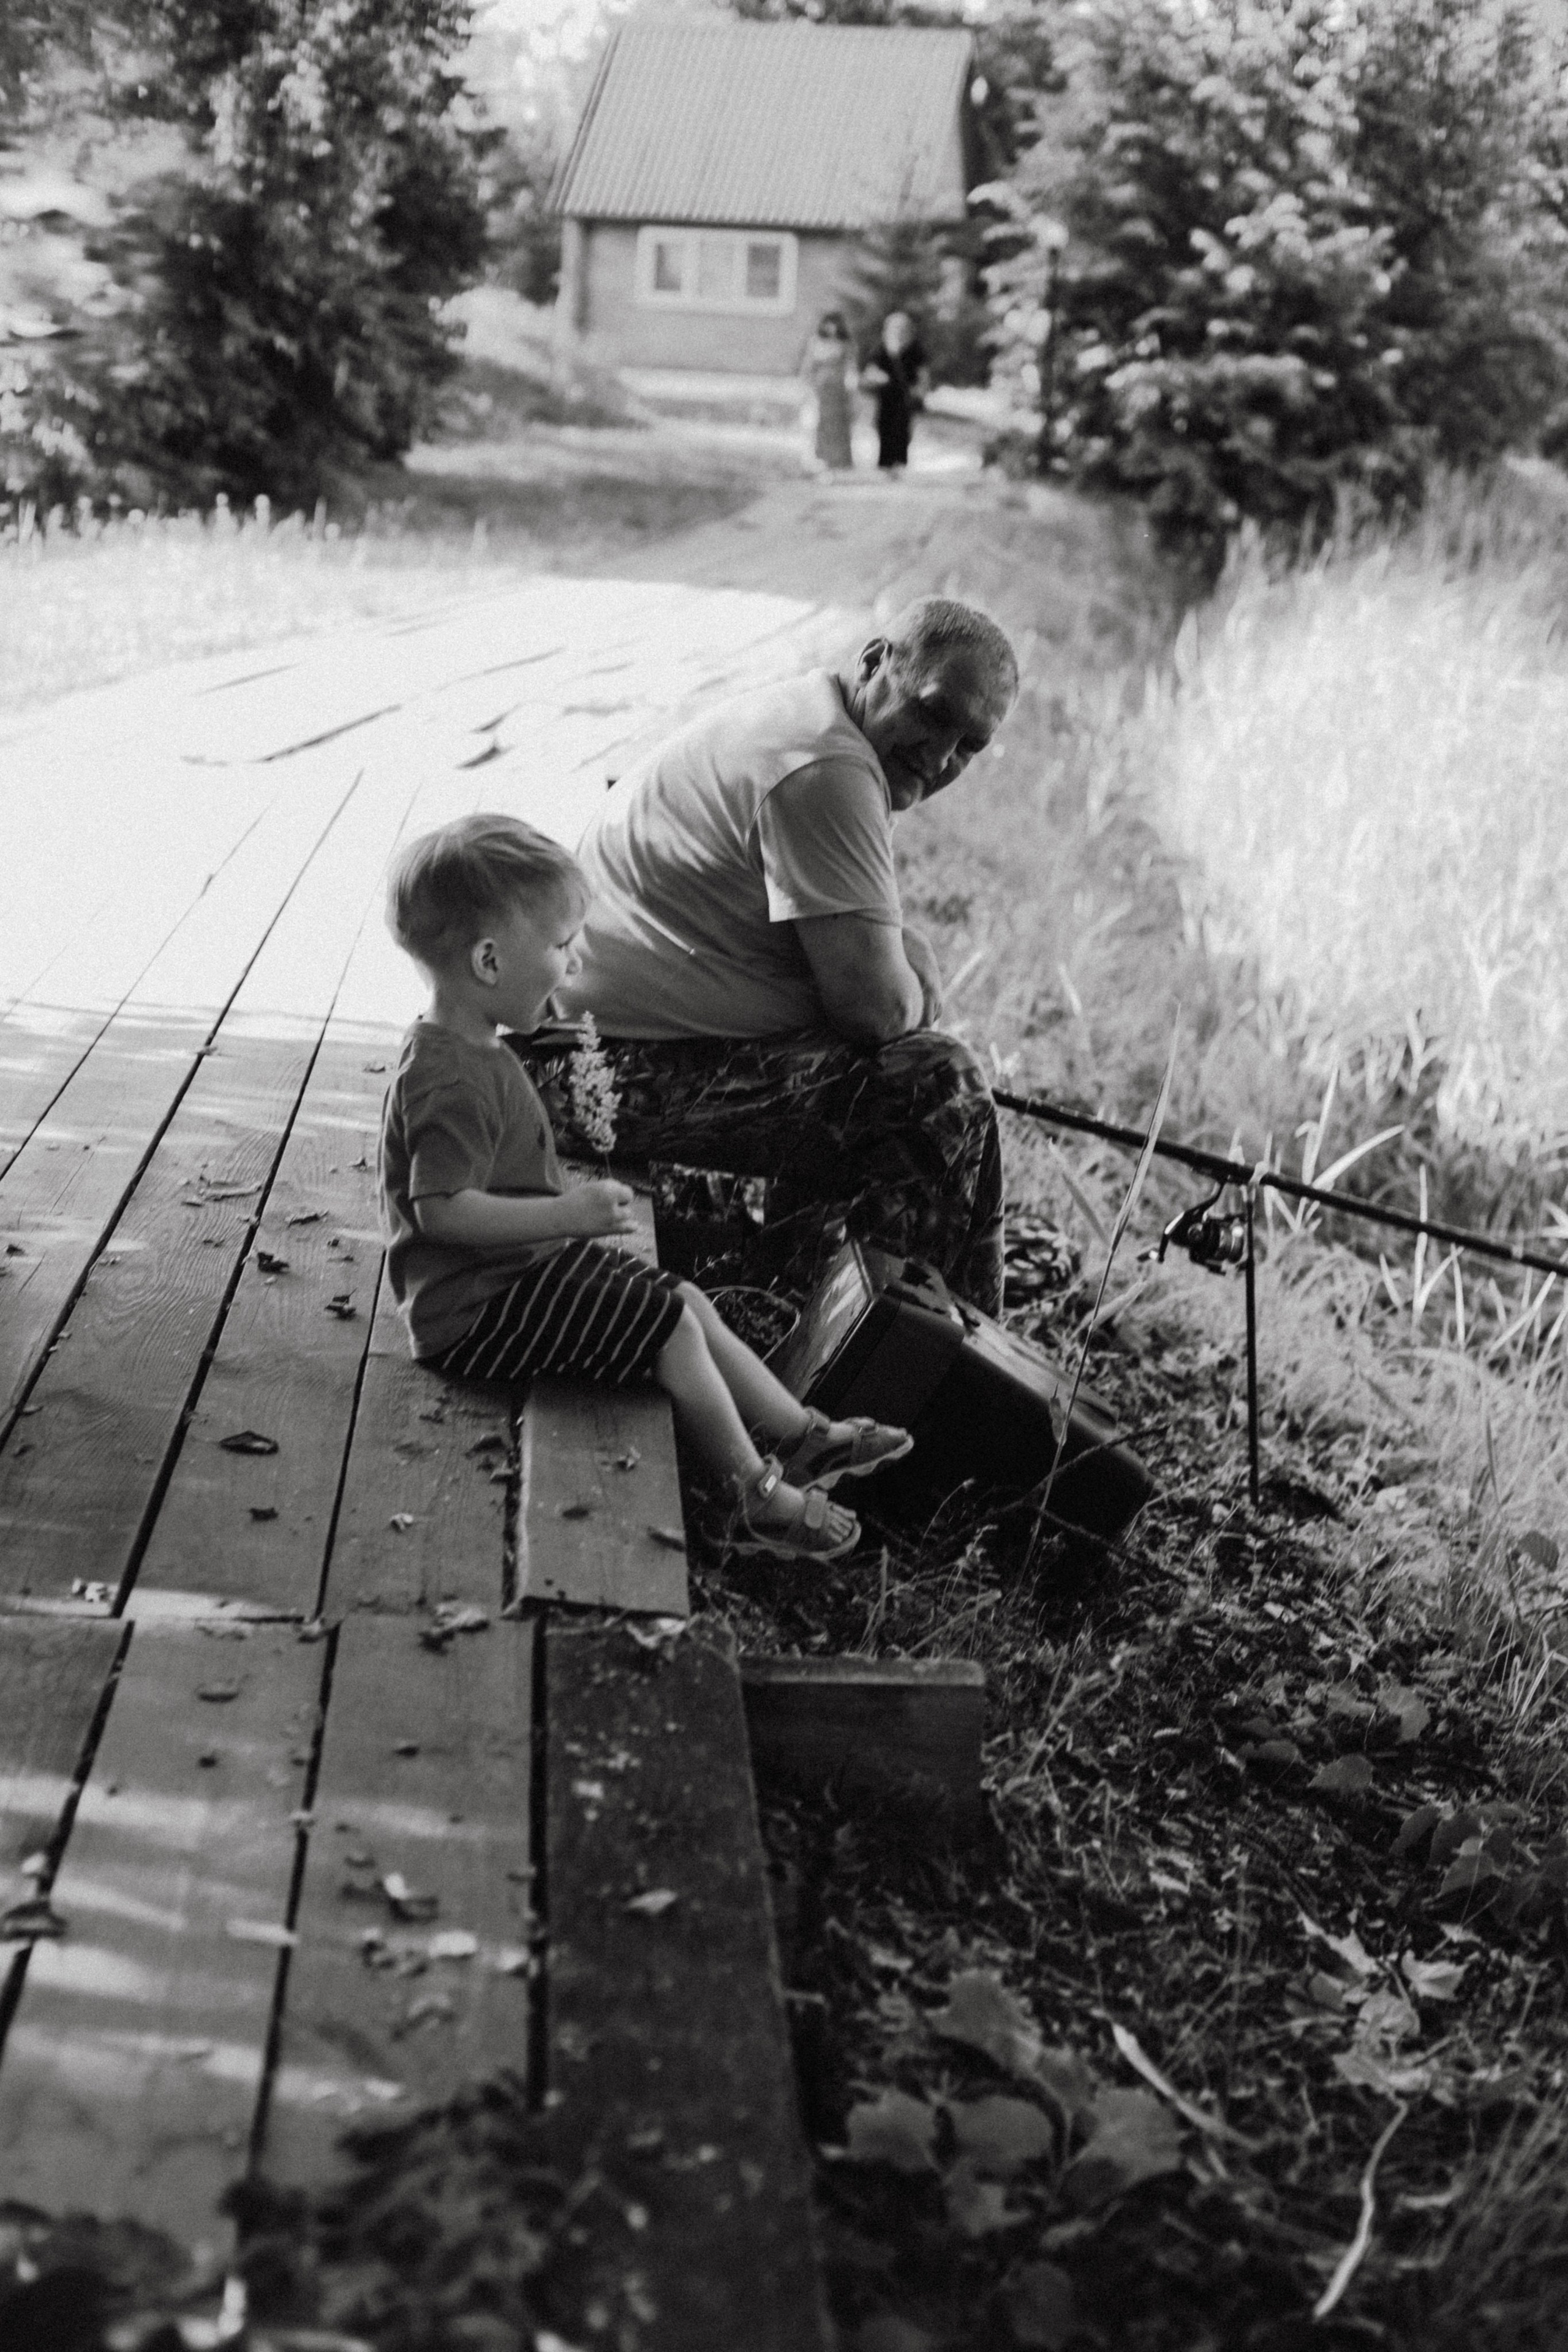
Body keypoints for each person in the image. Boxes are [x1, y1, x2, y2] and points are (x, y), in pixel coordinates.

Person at [377, 813, 914, 1564]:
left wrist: (560, 1213)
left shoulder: (473, 1047)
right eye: (561, 948)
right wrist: (567, 1212)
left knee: (684, 1299)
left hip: (516, 1270)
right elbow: (442, 1213)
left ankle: (802, 1435)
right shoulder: (450, 1078)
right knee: (667, 1326)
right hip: (471, 1313)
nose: (570, 969)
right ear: (490, 962)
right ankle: (753, 1499)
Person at [526, 597, 1019, 1316]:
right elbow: (877, 1011)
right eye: (933, 714)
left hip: (583, 1046)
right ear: (878, 661)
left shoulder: (810, 719)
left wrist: (895, 959)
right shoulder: (824, 768)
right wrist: (922, 977)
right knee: (934, 1087)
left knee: (863, 1078)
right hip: (586, 1076)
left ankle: (816, 1305)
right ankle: (937, 1377)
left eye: (970, 745)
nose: (943, 756)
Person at [861, 310, 927, 474]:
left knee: (902, 429)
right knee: (884, 427)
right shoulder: (882, 347)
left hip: (906, 396)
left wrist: (921, 390)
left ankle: (900, 463)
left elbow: (923, 372)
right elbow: (870, 370)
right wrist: (878, 377)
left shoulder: (914, 347)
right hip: (886, 396)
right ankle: (885, 464)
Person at [800, 311, 855, 472]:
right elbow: (808, 367)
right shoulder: (816, 343)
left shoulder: (845, 344)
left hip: (838, 390)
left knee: (837, 426)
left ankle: (838, 462)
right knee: (820, 425)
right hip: (820, 388)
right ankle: (820, 460)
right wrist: (807, 386)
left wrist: (851, 383)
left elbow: (851, 365)